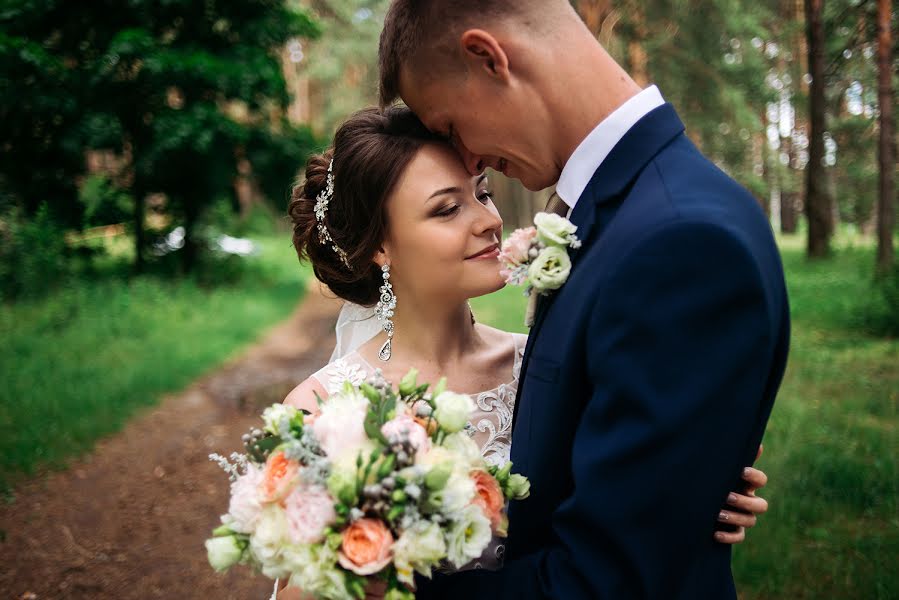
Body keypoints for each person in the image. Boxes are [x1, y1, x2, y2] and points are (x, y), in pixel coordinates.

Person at [378, 1, 790, 598]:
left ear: (488, 58)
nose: (465, 158)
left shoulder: (679, 241)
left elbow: (608, 582)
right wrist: (683, 482)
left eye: (448, 128)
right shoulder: (632, 214)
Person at [275, 106, 771, 599]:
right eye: (448, 208)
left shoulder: (553, 365)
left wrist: (697, 490)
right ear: (380, 246)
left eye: (483, 193)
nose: (490, 220)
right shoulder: (322, 411)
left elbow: (625, 513)